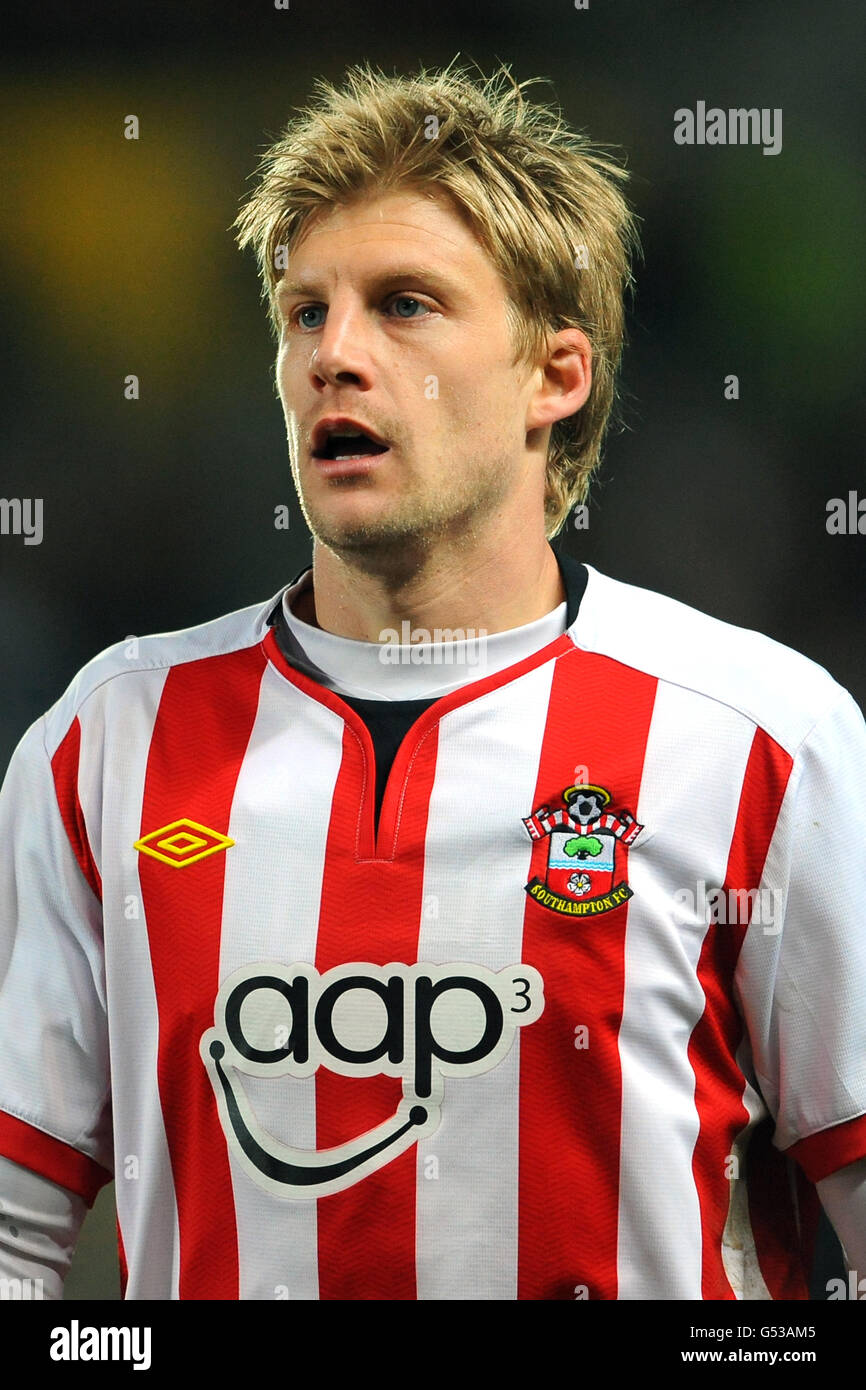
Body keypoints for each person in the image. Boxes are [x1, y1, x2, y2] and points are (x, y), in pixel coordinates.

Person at [0, 59, 864, 1302]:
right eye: (305, 313)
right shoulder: (108, 740)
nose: (333, 355)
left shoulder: (758, 737)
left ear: (553, 377)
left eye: (403, 305)